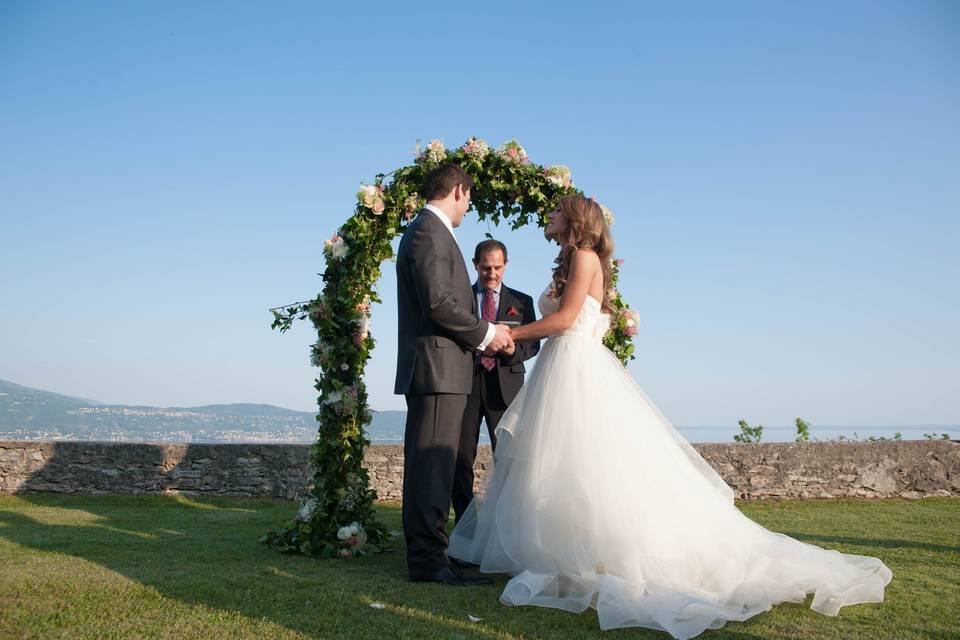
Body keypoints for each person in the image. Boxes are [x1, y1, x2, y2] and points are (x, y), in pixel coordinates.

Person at [448, 194, 892, 638]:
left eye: (556, 210)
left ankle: (605, 558)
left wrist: (510, 332)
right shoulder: (571, 259)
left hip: (578, 370)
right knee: (561, 470)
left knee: (590, 468)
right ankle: (569, 556)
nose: (549, 214)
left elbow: (566, 318)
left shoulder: (584, 256)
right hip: (559, 369)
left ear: (575, 220)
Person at [394, 163, 512, 587]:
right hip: (437, 369)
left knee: (437, 467)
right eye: (469, 199)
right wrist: (487, 334)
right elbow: (439, 303)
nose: (468, 208)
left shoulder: (431, 231)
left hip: (441, 370)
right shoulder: (429, 230)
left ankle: (435, 554)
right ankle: (427, 563)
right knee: (430, 468)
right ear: (459, 190)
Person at [453, 239, 540, 526]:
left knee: (509, 461)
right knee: (460, 460)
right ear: (475, 264)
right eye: (486, 268)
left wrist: (513, 349)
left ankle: (506, 527)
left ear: (506, 265)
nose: (492, 274)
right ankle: (467, 529)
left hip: (506, 388)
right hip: (465, 385)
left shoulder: (522, 302)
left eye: (498, 268)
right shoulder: (459, 298)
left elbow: (533, 346)